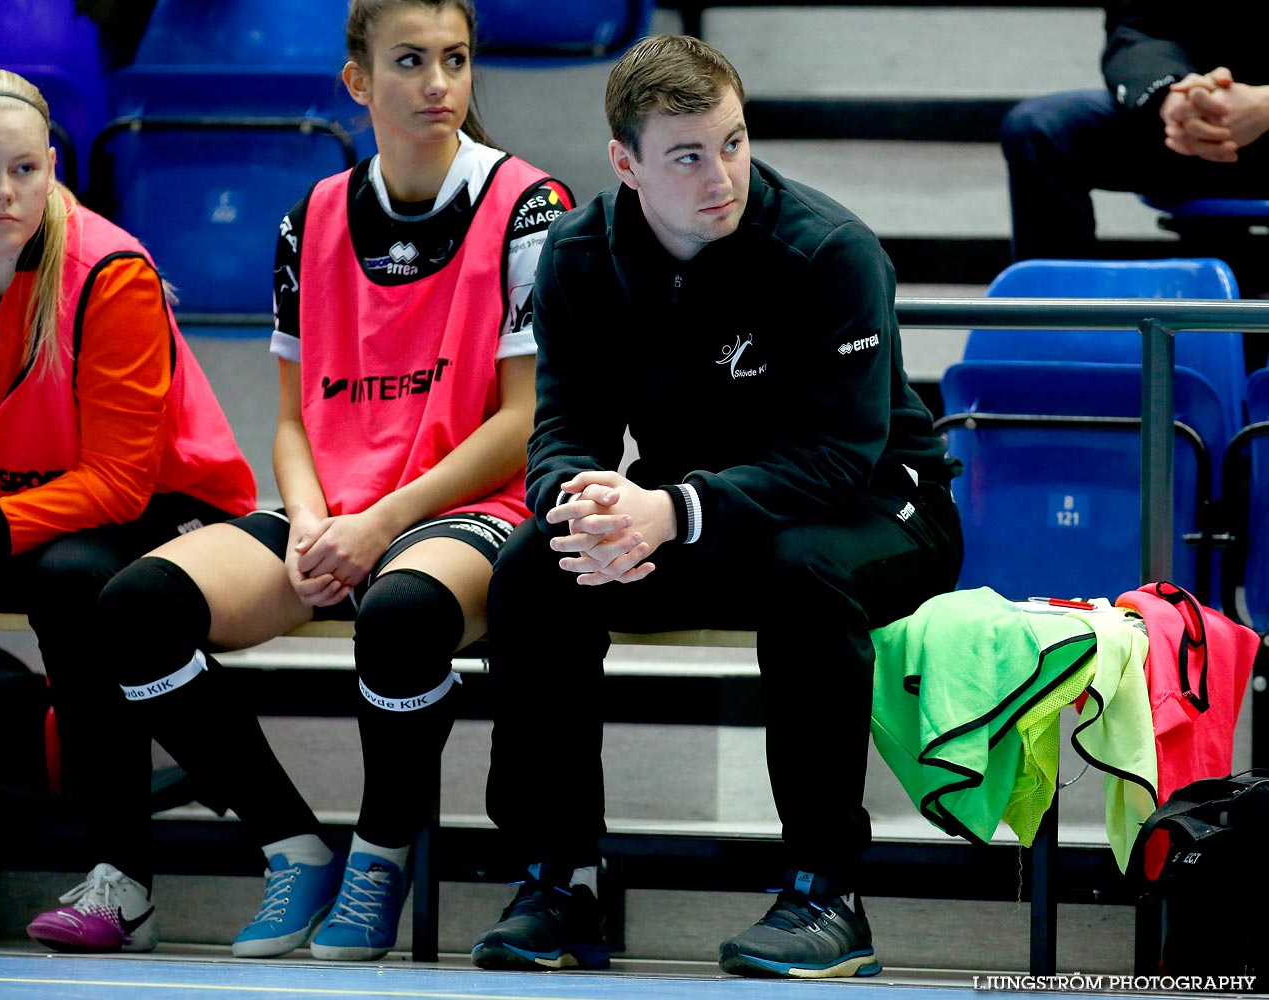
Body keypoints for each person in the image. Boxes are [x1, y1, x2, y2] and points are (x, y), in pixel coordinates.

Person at [470, 34, 964, 980]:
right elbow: (562, 424)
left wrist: (670, 509)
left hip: (883, 510)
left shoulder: (829, 253)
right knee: (536, 570)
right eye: (688, 155)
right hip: (703, 514)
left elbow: (839, 459)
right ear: (626, 163)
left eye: (733, 143)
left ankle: (827, 892)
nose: (721, 175)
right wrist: (580, 505)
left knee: (802, 571)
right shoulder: (580, 255)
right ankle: (560, 877)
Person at [95, 0, 573, 961]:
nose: (439, 84)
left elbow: (525, 420)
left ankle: (377, 857)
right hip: (337, 499)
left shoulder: (531, 205)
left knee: (397, 616)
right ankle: (291, 846)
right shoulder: (308, 215)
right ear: (358, 80)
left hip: (471, 503)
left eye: (456, 59)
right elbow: (289, 419)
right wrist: (313, 519)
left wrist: (376, 524)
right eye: (411, 61)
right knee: (135, 606)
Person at [0, 67, 256, 952]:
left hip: (140, 507)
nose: (4, 193)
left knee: (79, 585)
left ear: (52, 167)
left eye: (26, 169)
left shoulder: (108, 270)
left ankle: (123, 887)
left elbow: (116, 482)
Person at [1000, 2, 1269, 262]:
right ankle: (1056, 303)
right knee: (1042, 129)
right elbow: (1139, 27)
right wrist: (1171, 95)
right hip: (1188, 124)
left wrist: (1263, 105)